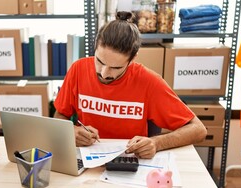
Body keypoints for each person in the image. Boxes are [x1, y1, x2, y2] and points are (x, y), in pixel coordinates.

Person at [53, 11, 207, 159]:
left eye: (116, 67)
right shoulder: (78, 69)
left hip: (130, 161)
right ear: (95, 47)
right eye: (99, 61)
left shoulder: (149, 82)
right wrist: (70, 131)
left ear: (132, 59)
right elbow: (60, 114)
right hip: (87, 159)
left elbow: (198, 130)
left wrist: (156, 142)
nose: (104, 73)